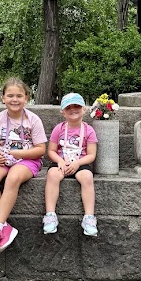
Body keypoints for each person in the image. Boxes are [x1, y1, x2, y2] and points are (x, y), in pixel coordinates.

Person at [0, 78, 47, 252]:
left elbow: (41, 149)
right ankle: (3, 227)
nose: (14, 99)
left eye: (19, 95)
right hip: (4, 158)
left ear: (26, 98)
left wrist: (18, 154)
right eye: (10, 95)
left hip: (27, 160)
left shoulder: (33, 120)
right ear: (2, 98)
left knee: (13, 177)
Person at [43, 92, 98, 238]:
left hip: (81, 162)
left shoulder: (89, 130)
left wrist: (78, 163)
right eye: (69, 108)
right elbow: (51, 151)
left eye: (77, 106)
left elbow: (92, 155)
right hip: (61, 162)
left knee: (87, 177)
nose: (73, 110)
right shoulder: (58, 129)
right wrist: (60, 161)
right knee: (52, 174)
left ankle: (89, 217)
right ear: (63, 112)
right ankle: (50, 214)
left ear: (84, 109)